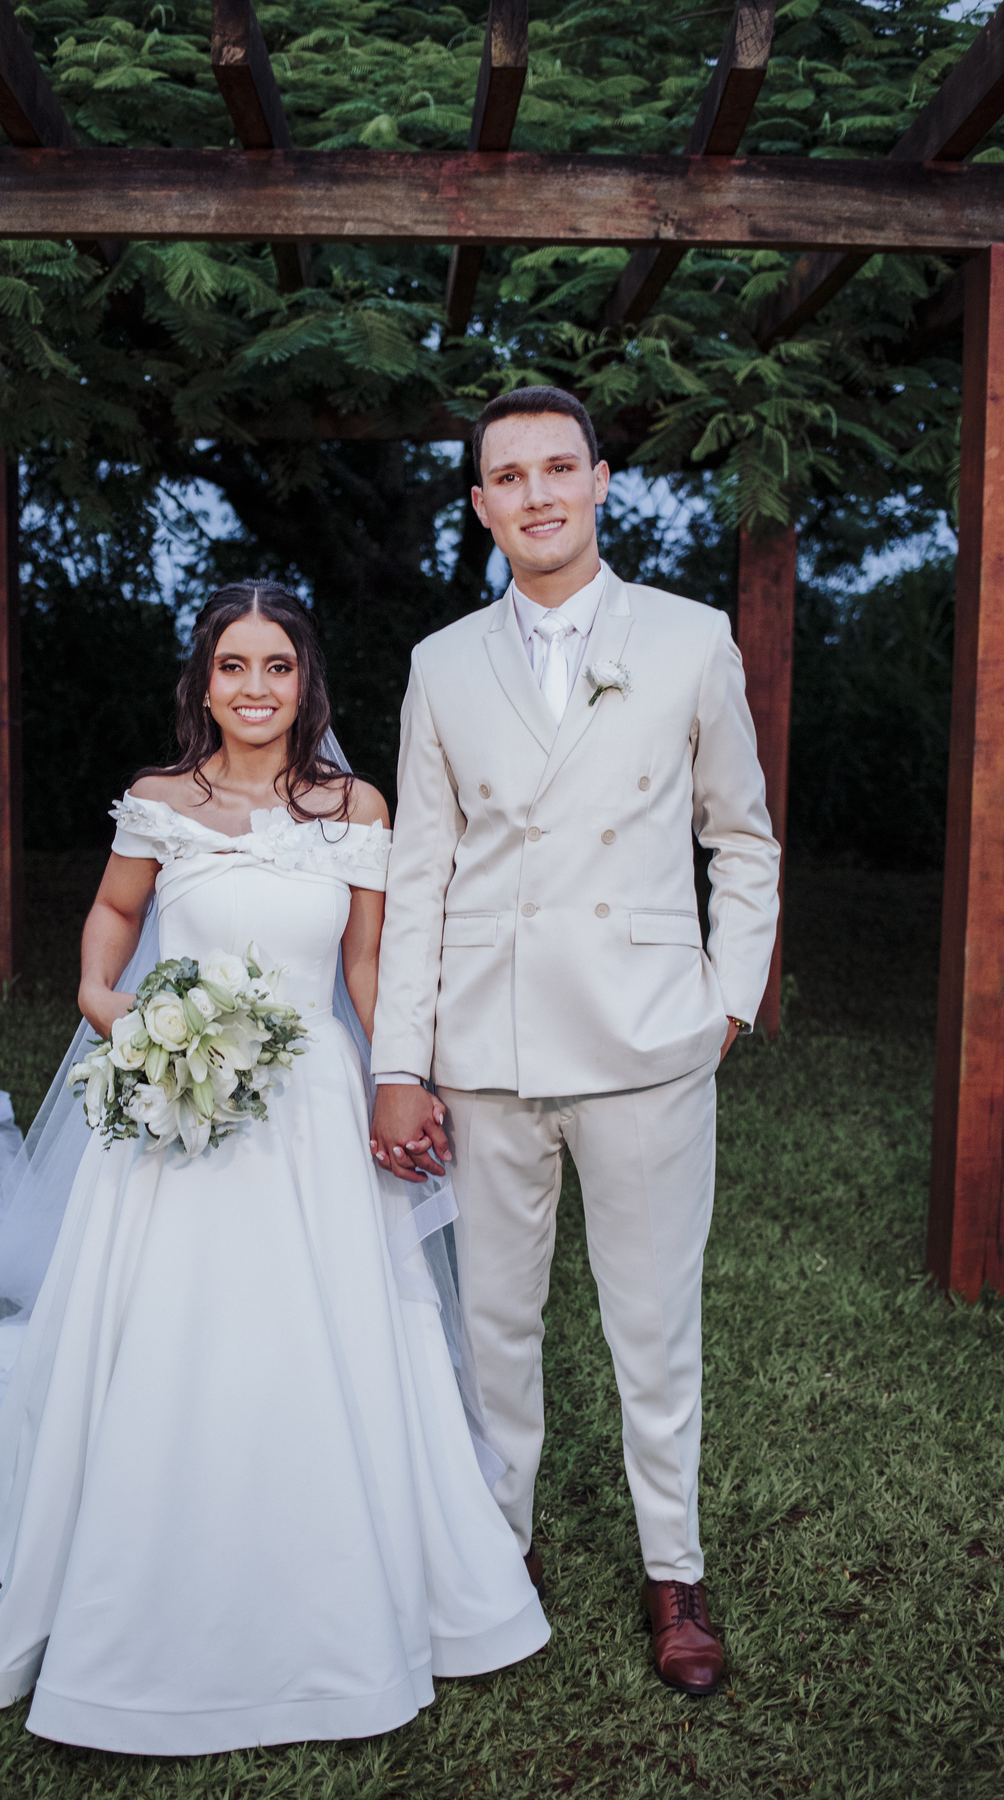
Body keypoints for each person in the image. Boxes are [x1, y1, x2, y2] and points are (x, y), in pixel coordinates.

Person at [0, 580, 549, 1754]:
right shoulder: (159, 800)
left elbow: (368, 965)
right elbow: (115, 915)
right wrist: (106, 1001)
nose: (257, 687)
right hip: (180, 1109)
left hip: (312, 1108)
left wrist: (401, 1072)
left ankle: (338, 1579)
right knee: (174, 1326)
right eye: (235, 665)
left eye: (279, 665)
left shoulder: (355, 807)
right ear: (205, 681)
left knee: (323, 1326)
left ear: (306, 680)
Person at [369, 388, 780, 1698]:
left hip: (647, 1041)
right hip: (488, 1048)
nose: (537, 493)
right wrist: (398, 1062)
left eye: (560, 467)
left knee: (653, 1327)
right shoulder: (441, 663)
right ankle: (499, 1553)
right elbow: (419, 874)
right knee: (496, 1326)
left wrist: (727, 1001)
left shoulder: (691, 638)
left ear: (601, 481)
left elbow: (743, 839)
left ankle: (675, 1569)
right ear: (480, 505)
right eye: (510, 475)